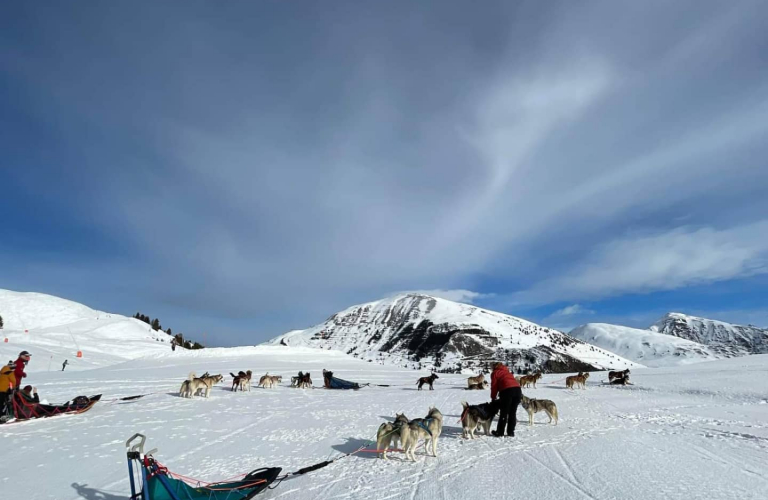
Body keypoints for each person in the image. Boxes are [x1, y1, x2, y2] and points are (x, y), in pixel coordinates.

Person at [490, 362, 522, 437]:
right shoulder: (507, 372)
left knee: (504, 412)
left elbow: (494, 386)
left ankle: (500, 432)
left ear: (494, 367)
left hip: (507, 391)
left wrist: (493, 397)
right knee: (512, 413)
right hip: (518, 391)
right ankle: (511, 432)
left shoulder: (495, 373)